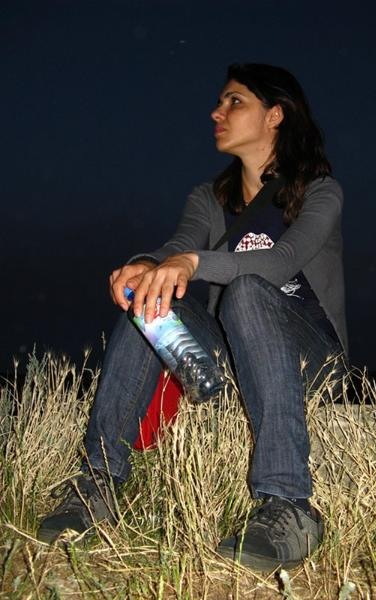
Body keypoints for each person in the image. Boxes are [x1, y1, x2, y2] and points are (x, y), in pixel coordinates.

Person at [37, 63, 347, 571]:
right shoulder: (209, 198)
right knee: (152, 298)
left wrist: (193, 264)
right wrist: (145, 265)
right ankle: (99, 481)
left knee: (248, 288)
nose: (216, 112)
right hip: (231, 357)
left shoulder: (319, 190)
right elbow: (176, 247)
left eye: (234, 101)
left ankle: (289, 503)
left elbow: (280, 262)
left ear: (275, 115)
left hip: (312, 360)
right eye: (220, 102)